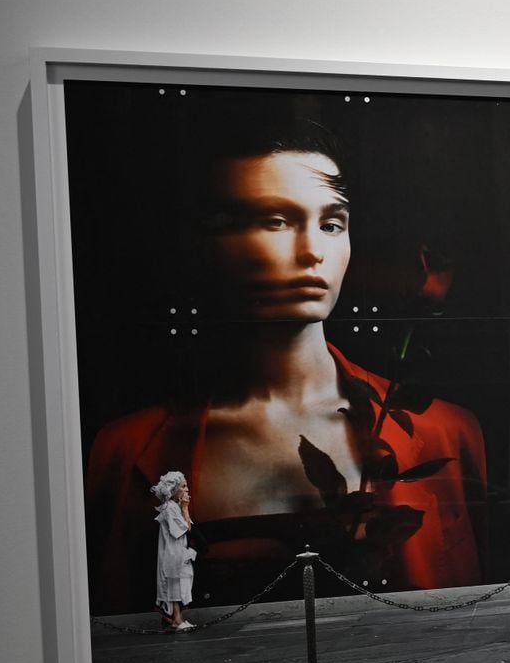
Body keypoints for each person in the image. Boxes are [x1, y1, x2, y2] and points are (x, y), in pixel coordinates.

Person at [86, 116, 487, 615]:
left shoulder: (445, 431)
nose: (311, 252)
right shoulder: (126, 451)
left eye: (332, 223)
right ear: (209, 242)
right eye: (275, 221)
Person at [151, 471, 196, 632]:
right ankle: (176, 620)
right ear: (175, 489)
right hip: (172, 553)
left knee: (180, 584)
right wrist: (185, 508)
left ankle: (178, 619)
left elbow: (188, 527)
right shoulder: (170, 508)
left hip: (178, 552)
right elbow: (183, 529)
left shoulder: (175, 507)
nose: (187, 489)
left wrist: (184, 508)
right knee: (174, 585)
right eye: (183, 486)